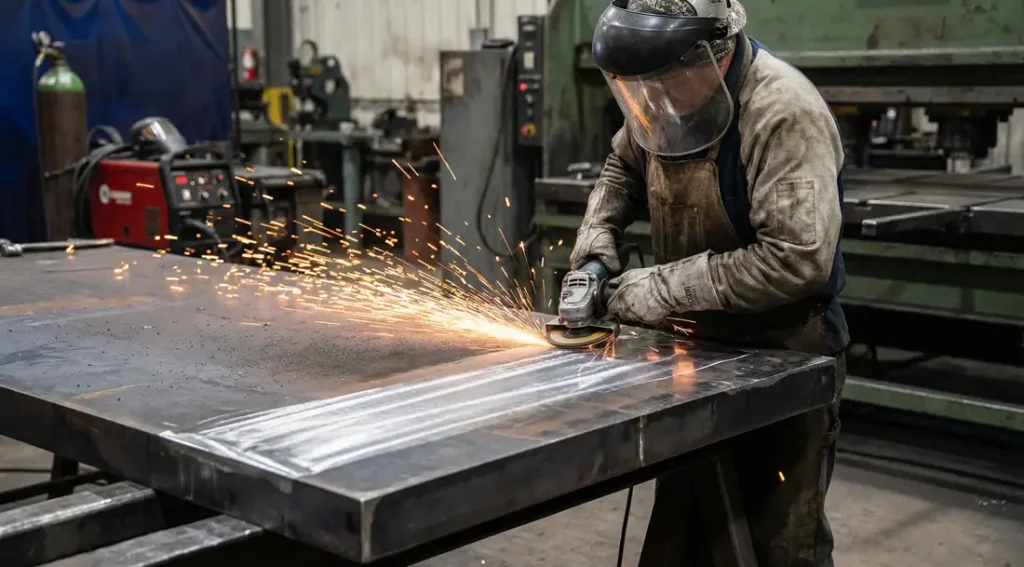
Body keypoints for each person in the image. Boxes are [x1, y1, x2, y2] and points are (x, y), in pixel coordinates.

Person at [570, 0, 848, 565]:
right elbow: (624, 167)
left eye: (664, 80)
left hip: (781, 355)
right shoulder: (664, 91)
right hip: (692, 352)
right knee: (684, 536)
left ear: (712, 56)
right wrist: (596, 240)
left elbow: (797, 259)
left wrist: (663, 289)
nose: (653, 100)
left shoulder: (781, 111)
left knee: (776, 542)